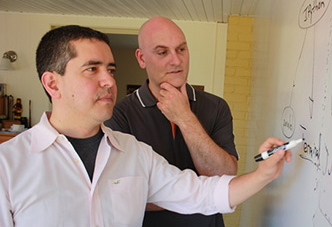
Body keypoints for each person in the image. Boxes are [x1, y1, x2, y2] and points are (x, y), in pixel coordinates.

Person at [0, 25, 291, 227]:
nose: (109, 81)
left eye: (110, 70)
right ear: (52, 83)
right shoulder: (8, 165)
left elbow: (204, 194)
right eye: (92, 69)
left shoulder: (133, 153)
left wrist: (264, 174)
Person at [105, 16, 237, 226]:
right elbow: (122, 192)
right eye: (162, 52)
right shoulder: (119, 114)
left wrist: (185, 118)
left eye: (181, 49)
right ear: (141, 58)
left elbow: (225, 178)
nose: (176, 61)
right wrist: (199, 190)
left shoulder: (217, 107)